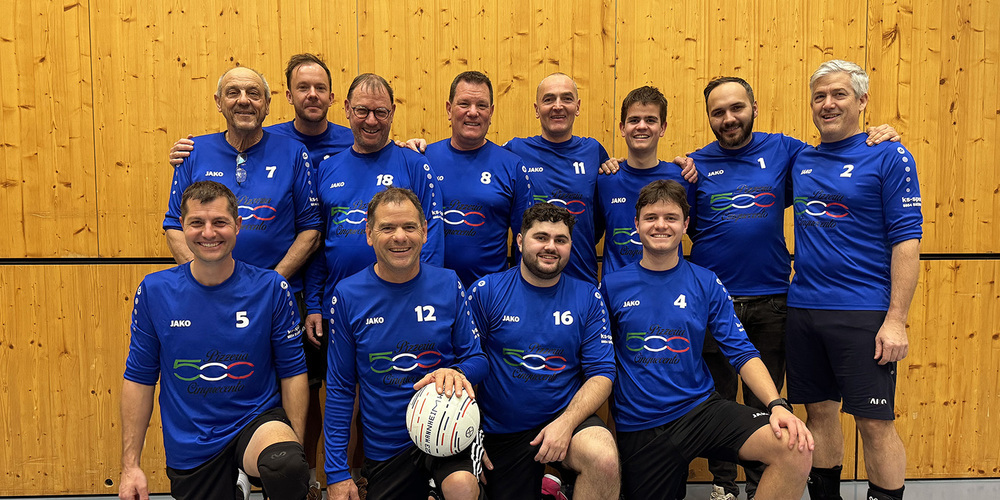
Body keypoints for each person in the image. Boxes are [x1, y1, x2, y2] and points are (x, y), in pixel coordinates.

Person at [678, 76, 901, 500]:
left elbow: (837, 150)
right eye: (718, 112)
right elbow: (674, 218)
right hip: (712, 305)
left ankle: (761, 488)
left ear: (754, 108)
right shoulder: (694, 165)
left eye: (737, 108)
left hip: (774, 303)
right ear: (708, 117)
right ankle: (723, 486)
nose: (728, 118)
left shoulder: (788, 151)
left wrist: (878, 132)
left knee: (766, 404)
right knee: (715, 400)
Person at [600, 179, 813, 500]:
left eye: (671, 218)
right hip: (642, 425)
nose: (661, 225)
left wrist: (776, 404)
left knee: (793, 448)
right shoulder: (612, 286)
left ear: (685, 225)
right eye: (651, 217)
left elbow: (742, 351)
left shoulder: (705, 282)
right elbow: (600, 365)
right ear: (637, 224)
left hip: (700, 411)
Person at [120, 181, 310, 500]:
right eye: (197, 222)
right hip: (192, 441)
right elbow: (139, 379)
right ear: (183, 226)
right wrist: (130, 466)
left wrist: (297, 457)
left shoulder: (271, 288)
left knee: (285, 465)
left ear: (237, 225)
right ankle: (236, 485)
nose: (208, 233)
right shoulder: (155, 291)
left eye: (219, 222)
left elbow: (293, 372)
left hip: (256, 421)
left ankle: (259, 471)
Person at [787, 60, 922, 500]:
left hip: (864, 314)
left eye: (839, 94)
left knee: (874, 424)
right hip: (804, 310)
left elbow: (907, 243)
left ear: (862, 101)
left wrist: (896, 319)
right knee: (819, 415)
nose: (828, 104)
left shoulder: (889, 155)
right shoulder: (800, 159)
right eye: (820, 96)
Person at [323, 187, 486, 500]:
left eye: (409, 227)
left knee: (461, 487)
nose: (400, 237)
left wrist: (456, 372)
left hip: (448, 434)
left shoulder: (448, 282)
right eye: (387, 228)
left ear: (424, 232)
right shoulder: (347, 295)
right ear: (369, 234)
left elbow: (478, 360)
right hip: (387, 447)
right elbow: (341, 388)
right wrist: (337, 472)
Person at [466, 202, 620, 500]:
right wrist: (468, 434)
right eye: (541, 237)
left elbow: (602, 373)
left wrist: (567, 423)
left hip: (565, 422)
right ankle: (549, 484)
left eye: (560, 240)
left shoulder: (588, 296)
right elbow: (465, 365)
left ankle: (553, 478)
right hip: (501, 432)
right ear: (520, 241)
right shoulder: (487, 291)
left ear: (570, 245)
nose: (551, 246)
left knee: (603, 457)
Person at [304, 72, 444, 349]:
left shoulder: (414, 164)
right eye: (362, 111)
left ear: (392, 113)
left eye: (380, 112)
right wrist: (313, 304)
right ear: (346, 109)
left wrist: (425, 295)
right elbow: (319, 242)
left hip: (403, 303)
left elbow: (432, 234)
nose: (371, 120)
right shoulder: (327, 169)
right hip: (339, 306)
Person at [162, 65, 321, 293]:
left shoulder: (294, 153)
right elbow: (173, 225)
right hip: (207, 292)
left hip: (275, 292)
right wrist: (203, 280)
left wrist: (272, 283)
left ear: (267, 104)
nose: (244, 100)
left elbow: (311, 228)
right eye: (233, 92)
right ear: (219, 102)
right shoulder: (192, 153)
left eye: (253, 93)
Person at [423, 71, 533, 287]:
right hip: (431, 292)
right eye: (464, 104)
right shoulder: (423, 160)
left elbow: (526, 241)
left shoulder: (512, 166)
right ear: (449, 109)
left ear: (491, 112)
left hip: (491, 295)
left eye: (481, 105)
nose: (473, 112)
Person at [501, 73, 610, 285]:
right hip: (527, 283)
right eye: (549, 99)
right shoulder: (515, 151)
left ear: (577, 107)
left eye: (566, 99)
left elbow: (599, 220)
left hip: (581, 279)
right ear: (536, 109)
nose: (558, 106)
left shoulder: (594, 151)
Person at [596, 85, 692, 277]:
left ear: (662, 128)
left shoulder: (684, 177)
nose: (641, 126)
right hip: (617, 290)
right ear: (622, 128)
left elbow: (698, 231)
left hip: (671, 287)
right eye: (634, 120)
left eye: (650, 120)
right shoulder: (605, 180)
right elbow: (591, 234)